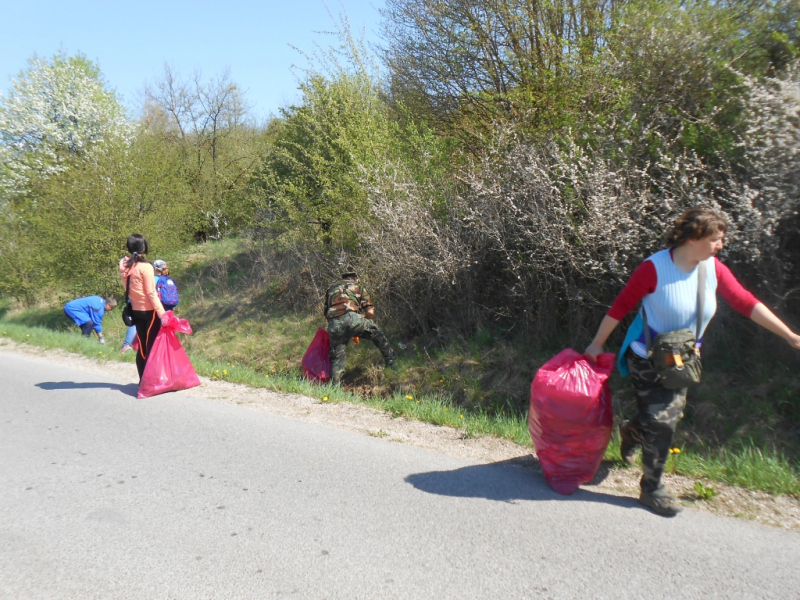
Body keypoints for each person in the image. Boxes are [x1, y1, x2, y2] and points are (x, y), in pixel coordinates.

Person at [585, 208, 800, 516]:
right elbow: (621, 306)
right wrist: (597, 342)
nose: (720, 246)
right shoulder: (654, 268)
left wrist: (790, 335)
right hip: (646, 355)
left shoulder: (714, 269)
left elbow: (746, 302)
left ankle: (633, 431)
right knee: (663, 418)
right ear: (695, 237)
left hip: (681, 360)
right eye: (716, 239)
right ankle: (652, 489)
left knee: (661, 416)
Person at [325, 271, 396, 384]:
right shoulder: (357, 286)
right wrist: (361, 322)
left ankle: (334, 388)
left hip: (334, 324)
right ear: (355, 279)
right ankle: (392, 364)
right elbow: (370, 312)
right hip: (353, 319)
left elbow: (327, 313)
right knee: (376, 332)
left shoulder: (331, 289)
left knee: (337, 357)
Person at [120, 234, 166, 381]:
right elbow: (151, 293)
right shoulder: (146, 267)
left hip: (135, 310)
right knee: (152, 346)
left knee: (143, 347)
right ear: (144, 247)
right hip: (149, 312)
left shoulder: (123, 265)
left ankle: (143, 381)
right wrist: (162, 314)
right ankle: (151, 382)